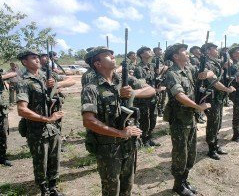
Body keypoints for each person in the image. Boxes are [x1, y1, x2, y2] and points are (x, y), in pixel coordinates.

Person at [81, 46, 156, 196]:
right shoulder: (92, 88)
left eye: (112, 53)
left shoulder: (124, 80)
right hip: (108, 147)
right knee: (111, 189)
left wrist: (133, 93)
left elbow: (151, 90)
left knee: (127, 186)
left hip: (129, 143)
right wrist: (120, 133)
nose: (112, 56)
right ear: (97, 64)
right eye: (107, 55)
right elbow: (88, 121)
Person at [16, 49, 75, 196]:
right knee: (40, 162)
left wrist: (56, 85)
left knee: (54, 159)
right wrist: (46, 119)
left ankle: (53, 187)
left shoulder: (46, 75)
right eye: (33, 58)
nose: (37, 60)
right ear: (25, 62)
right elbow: (22, 110)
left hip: (53, 127)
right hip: (37, 129)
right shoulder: (24, 81)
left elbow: (71, 80)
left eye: (38, 57)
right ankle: (44, 189)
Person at [163, 43, 211, 196]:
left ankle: (184, 180)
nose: (187, 53)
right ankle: (178, 185)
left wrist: (206, 74)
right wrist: (198, 106)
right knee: (180, 152)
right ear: (176, 56)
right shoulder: (172, 73)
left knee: (191, 151)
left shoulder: (188, 69)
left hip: (190, 118)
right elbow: (179, 96)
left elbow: (209, 72)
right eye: (184, 51)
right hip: (179, 118)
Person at [200, 43, 236, 160]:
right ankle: (211, 148)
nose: (217, 50)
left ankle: (215, 144)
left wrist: (227, 58)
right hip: (211, 97)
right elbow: (214, 81)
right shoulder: (205, 63)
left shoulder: (215, 62)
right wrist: (226, 89)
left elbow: (227, 65)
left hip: (218, 97)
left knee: (218, 122)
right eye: (214, 49)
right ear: (208, 51)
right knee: (213, 123)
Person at [134, 46, 164, 147]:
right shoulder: (138, 68)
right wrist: (154, 90)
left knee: (153, 118)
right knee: (144, 120)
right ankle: (144, 139)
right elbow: (141, 84)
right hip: (143, 99)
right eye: (147, 50)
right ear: (142, 54)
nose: (150, 51)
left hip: (153, 98)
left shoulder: (152, 66)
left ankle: (149, 137)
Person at [0, 70, 17, 166]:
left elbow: (14, 73)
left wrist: (2, 76)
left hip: (2, 111)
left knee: (3, 133)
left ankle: (2, 157)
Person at [152, 47, 167, 117]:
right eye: (159, 50)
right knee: (159, 95)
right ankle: (159, 109)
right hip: (158, 78)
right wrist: (165, 67)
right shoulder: (155, 59)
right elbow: (158, 69)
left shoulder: (162, 58)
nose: (161, 51)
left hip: (163, 78)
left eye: (161, 49)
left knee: (164, 95)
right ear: (155, 51)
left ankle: (162, 108)